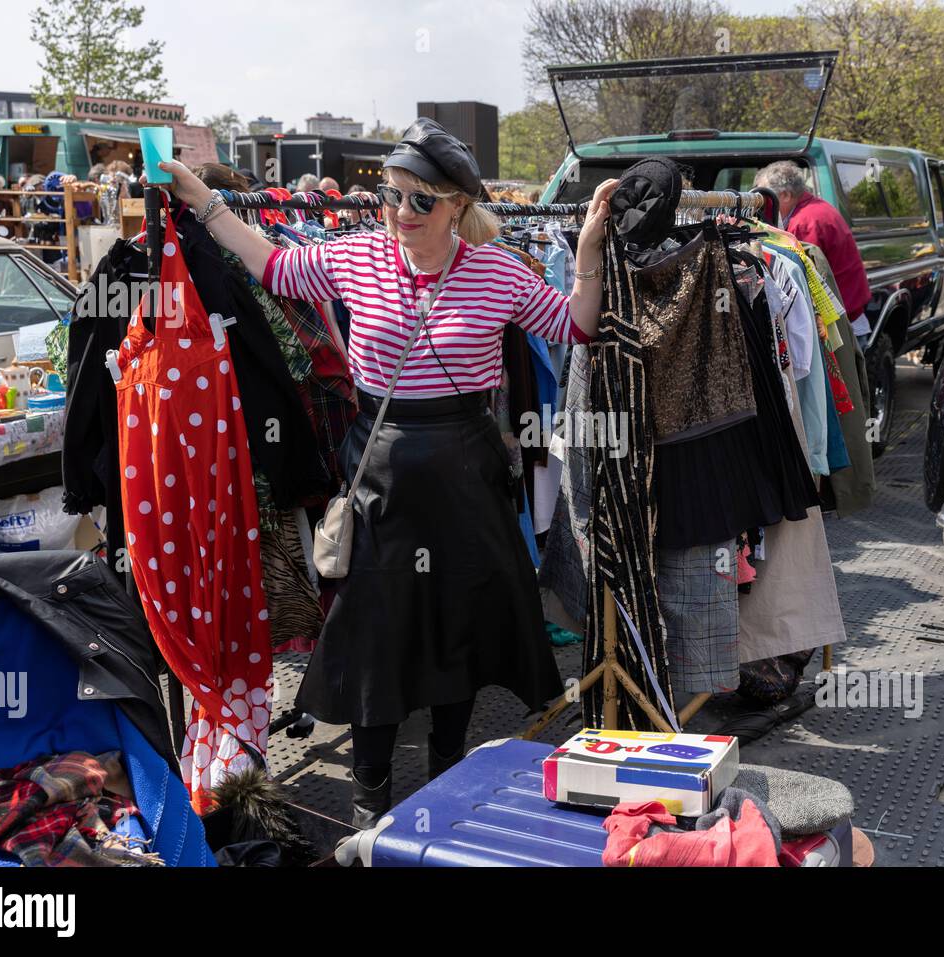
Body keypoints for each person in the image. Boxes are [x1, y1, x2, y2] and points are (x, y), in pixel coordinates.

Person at [157, 117, 618, 830]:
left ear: (457, 205)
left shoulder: (498, 271)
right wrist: (203, 201)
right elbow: (271, 265)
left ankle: (448, 772)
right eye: (390, 196)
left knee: (457, 632)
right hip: (382, 472)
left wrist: (586, 247)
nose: (400, 213)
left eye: (418, 201)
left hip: (467, 476)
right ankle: (370, 796)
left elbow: (577, 324)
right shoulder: (355, 258)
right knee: (376, 639)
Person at [754, 159, 872, 337]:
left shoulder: (805, 223)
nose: (763, 204)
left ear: (785, 195)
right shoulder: (815, 209)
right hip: (851, 312)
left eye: (766, 196)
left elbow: (803, 279)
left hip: (841, 324)